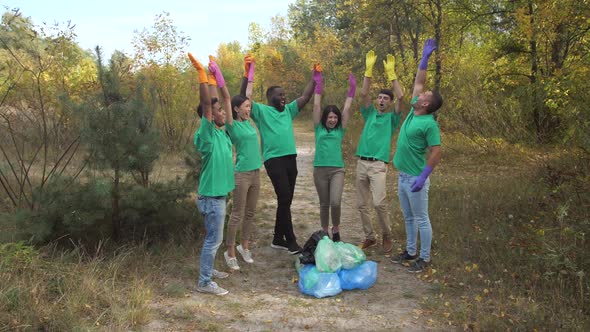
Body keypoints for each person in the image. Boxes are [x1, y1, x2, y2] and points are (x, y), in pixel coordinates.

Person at [240, 59, 316, 255]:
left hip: (291, 159)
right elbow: (243, 97)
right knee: (283, 196)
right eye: (279, 95)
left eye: (284, 95)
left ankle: (277, 238)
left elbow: (306, 96)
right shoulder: (261, 111)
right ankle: (290, 241)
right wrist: (248, 75)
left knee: (286, 200)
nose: (284, 97)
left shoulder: (289, 110)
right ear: (270, 97)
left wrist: (315, 77)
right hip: (273, 160)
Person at [391, 39, 443, 273]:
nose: (422, 92)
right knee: (409, 217)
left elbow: (437, 152)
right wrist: (425, 59)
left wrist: (423, 176)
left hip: (415, 178)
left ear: (427, 103)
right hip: (403, 176)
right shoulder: (414, 108)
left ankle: (424, 258)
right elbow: (419, 81)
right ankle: (410, 251)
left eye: (426, 94)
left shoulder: (429, 124)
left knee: (422, 218)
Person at [208, 55, 261, 271]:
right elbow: (229, 99)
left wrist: (250, 74)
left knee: (250, 213)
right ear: (237, 110)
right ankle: (229, 250)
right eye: (245, 107)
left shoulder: (249, 123)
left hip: (257, 174)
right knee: (237, 214)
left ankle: (244, 246)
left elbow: (245, 94)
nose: (248, 109)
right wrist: (218, 78)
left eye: (249, 107)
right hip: (242, 175)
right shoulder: (233, 125)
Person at [189, 52, 234, 296]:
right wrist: (202, 77)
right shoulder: (205, 134)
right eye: (218, 111)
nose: (222, 112)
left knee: (213, 238)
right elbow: (208, 104)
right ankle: (204, 282)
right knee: (212, 240)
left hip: (218, 196)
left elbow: (220, 100)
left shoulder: (221, 132)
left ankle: (209, 270)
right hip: (211, 198)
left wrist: (217, 77)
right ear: (210, 116)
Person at [356, 51, 403, 253]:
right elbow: (364, 94)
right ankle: (369, 237)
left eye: (385, 98)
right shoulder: (369, 113)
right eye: (380, 98)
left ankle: (386, 235)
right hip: (361, 163)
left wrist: (392, 74)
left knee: (378, 202)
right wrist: (368, 71)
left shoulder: (392, 119)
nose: (382, 100)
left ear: (390, 103)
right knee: (361, 204)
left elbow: (401, 96)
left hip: (378, 165)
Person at [311, 63, 356, 242]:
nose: (332, 119)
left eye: (335, 117)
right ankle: (324, 231)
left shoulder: (340, 130)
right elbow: (316, 106)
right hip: (320, 170)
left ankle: (335, 228)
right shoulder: (318, 128)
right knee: (324, 203)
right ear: (325, 118)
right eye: (330, 117)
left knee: (335, 202)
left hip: (337, 170)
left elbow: (346, 109)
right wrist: (318, 85)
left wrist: (352, 89)